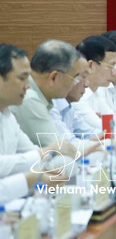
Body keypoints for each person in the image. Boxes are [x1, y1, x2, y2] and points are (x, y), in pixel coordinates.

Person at [0, 44, 68, 204]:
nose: (28, 85)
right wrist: (43, 156)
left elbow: (32, 154)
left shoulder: (8, 115)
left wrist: (50, 168)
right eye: (22, 78)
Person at [12, 40, 90, 147]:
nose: (75, 83)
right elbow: (60, 150)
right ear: (53, 77)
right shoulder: (28, 98)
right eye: (75, 77)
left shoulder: (45, 97)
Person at [73, 35, 116, 130]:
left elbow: (115, 122)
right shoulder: (76, 97)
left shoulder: (98, 91)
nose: (114, 72)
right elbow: (109, 130)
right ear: (90, 65)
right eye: (111, 66)